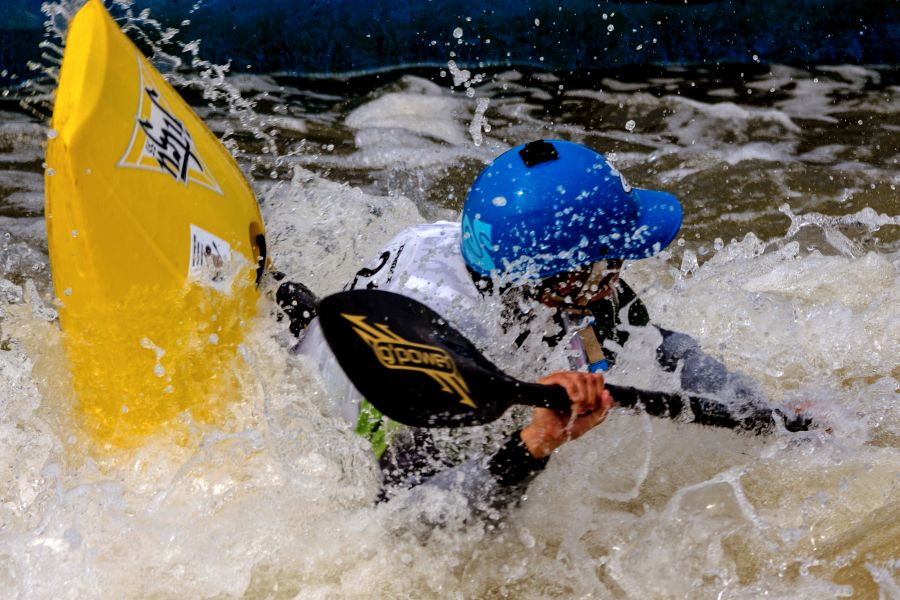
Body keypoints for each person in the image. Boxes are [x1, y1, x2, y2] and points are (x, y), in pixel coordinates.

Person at [278, 140, 770, 521]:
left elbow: (661, 348)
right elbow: (406, 525)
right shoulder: (450, 344)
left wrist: (766, 411)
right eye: (607, 263)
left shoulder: (494, 254)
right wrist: (531, 446)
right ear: (558, 278)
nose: (616, 273)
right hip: (358, 435)